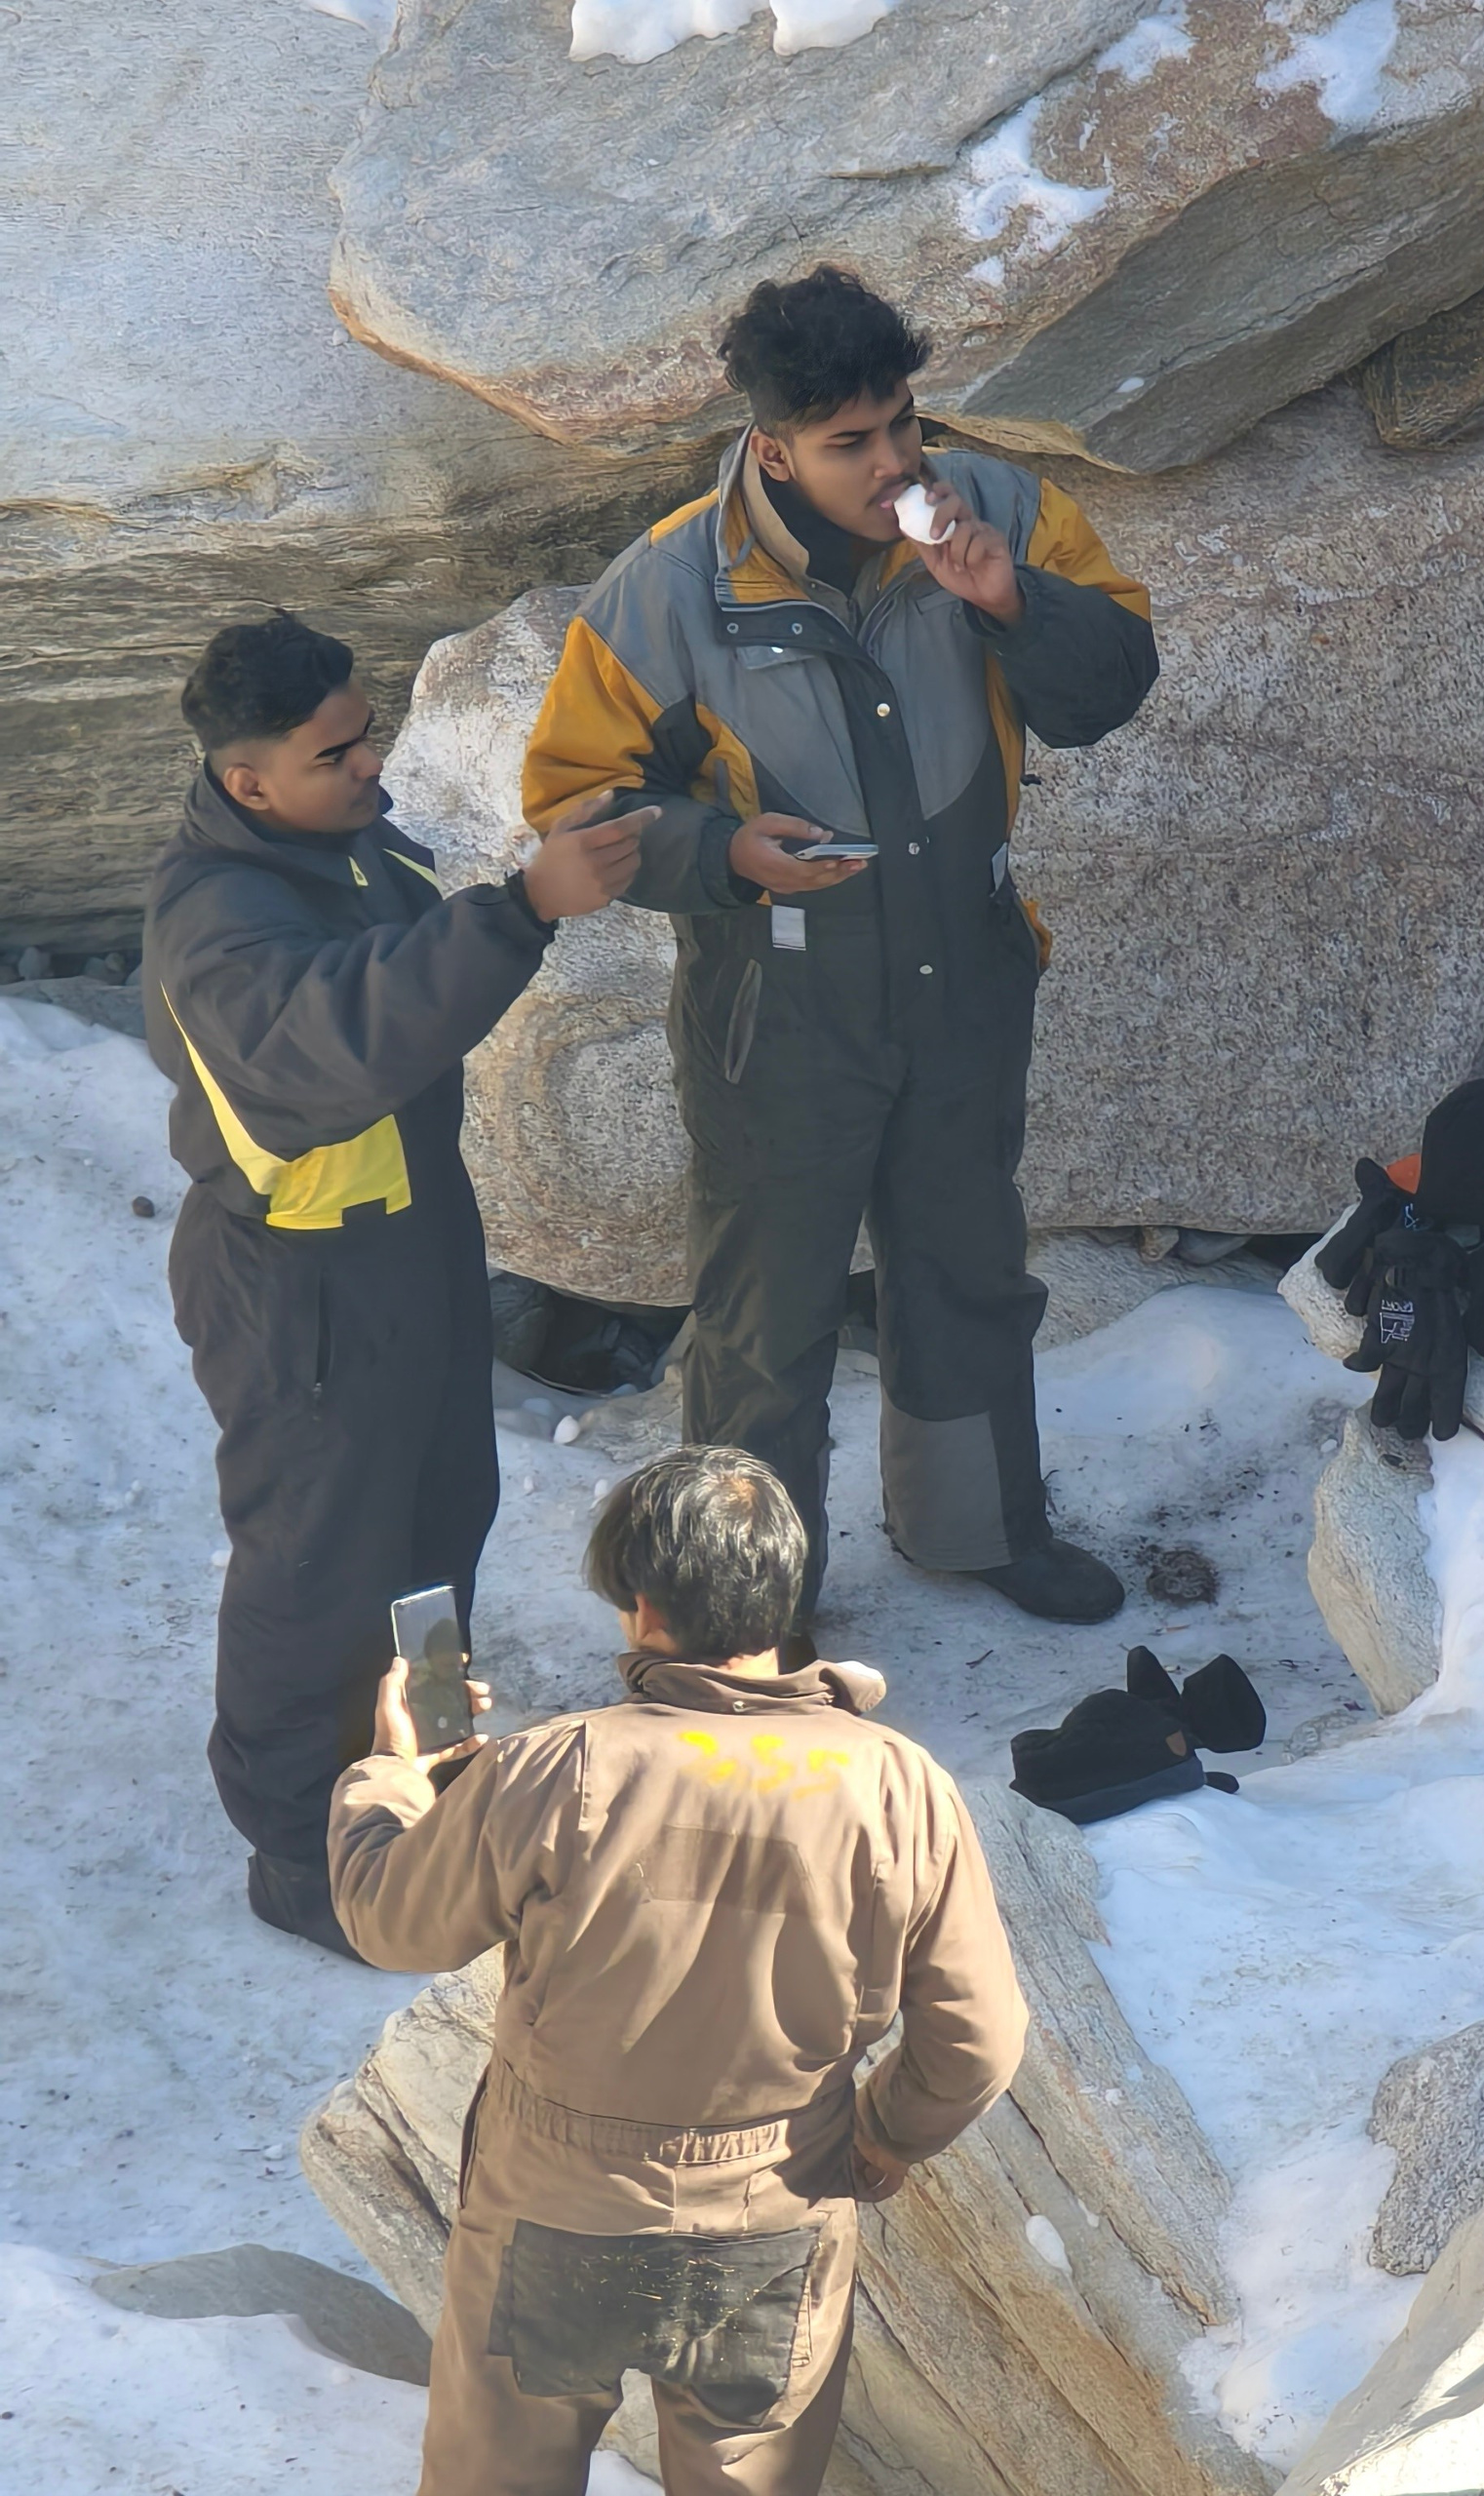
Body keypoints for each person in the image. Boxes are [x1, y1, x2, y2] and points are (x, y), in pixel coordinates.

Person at [521, 264, 1159, 1628]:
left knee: (967, 1273)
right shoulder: (663, 590)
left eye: (904, 426)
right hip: (779, 1009)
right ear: (772, 448)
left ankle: (977, 1528)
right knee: (766, 1323)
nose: (893, 466)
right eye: (849, 443)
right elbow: (573, 803)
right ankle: (750, 1611)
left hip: (966, 978)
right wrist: (723, 856)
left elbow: (1118, 682)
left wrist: (1010, 607)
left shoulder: (1000, 513)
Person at [330, 1445, 1027, 2496]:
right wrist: (881, 2136)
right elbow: (976, 2040)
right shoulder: (901, 1787)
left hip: (555, 2210)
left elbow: (392, 1922)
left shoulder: (554, 1767)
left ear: (642, 1608)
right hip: (773, 2215)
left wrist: (393, 1773)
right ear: (781, 1598)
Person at [145, 611, 645, 1957]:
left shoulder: (335, 845)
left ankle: (425, 1776)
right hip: (296, 1287)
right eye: (336, 753)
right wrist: (527, 905)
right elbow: (343, 1033)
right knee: (319, 1566)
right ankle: (307, 1851)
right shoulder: (219, 920)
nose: (372, 765)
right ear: (249, 781)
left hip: (404, 1249)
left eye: (365, 733)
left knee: (435, 1521)